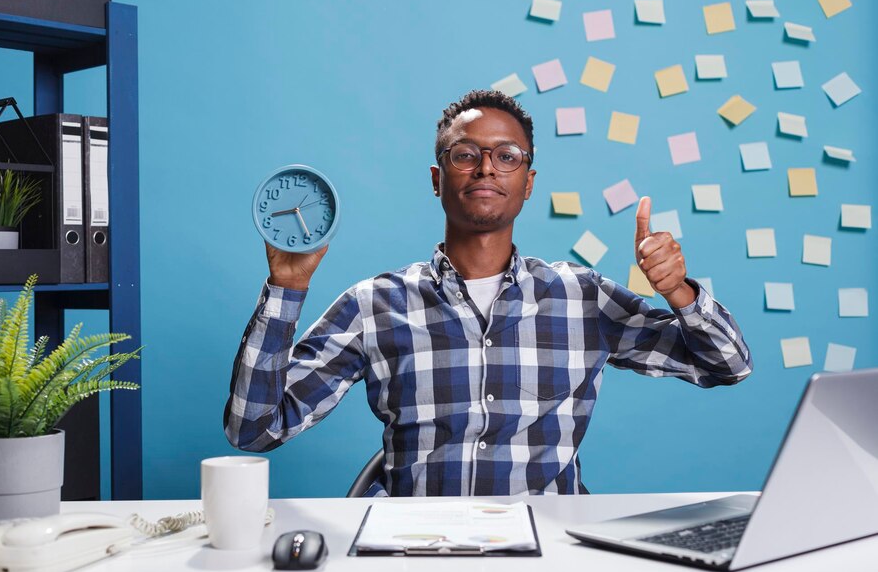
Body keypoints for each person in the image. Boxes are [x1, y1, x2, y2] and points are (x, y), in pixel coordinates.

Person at [224, 89, 753, 497]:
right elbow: (254, 430)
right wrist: (286, 289)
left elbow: (727, 364)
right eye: (465, 155)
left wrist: (679, 292)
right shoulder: (373, 305)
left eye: (507, 157)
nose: (485, 169)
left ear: (528, 182)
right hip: (416, 554)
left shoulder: (582, 296)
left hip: (550, 554)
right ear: (437, 179)